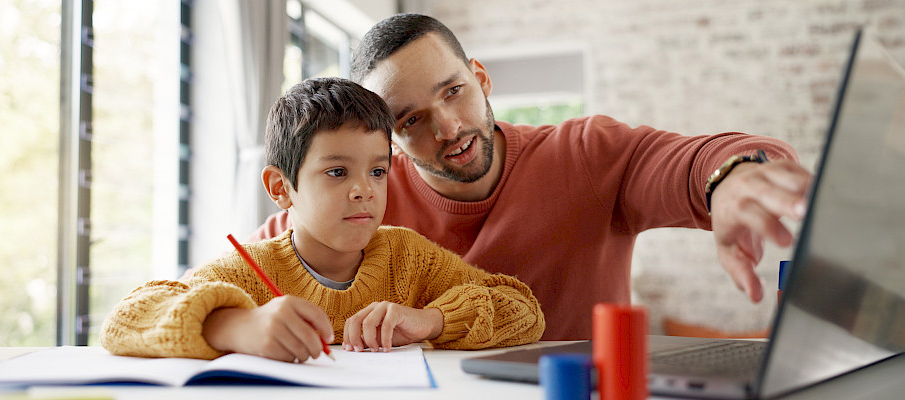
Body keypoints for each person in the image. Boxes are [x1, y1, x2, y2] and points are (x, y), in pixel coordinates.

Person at [246, 14, 812, 341]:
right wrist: (241, 324)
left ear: (481, 78)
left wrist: (734, 176)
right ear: (388, 138)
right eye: (411, 120)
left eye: (453, 91)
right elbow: (238, 276)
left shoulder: (584, 154)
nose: (447, 126)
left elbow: (701, 162)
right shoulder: (362, 199)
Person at [101, 77, 545, 362]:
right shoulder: (247, 272)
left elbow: (525, 312)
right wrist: (236, 326)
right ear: (280, 188)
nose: (364, 190)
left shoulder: (408, 257)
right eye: (337, 172)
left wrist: (430, 320)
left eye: (377, 171)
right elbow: (124, 320)